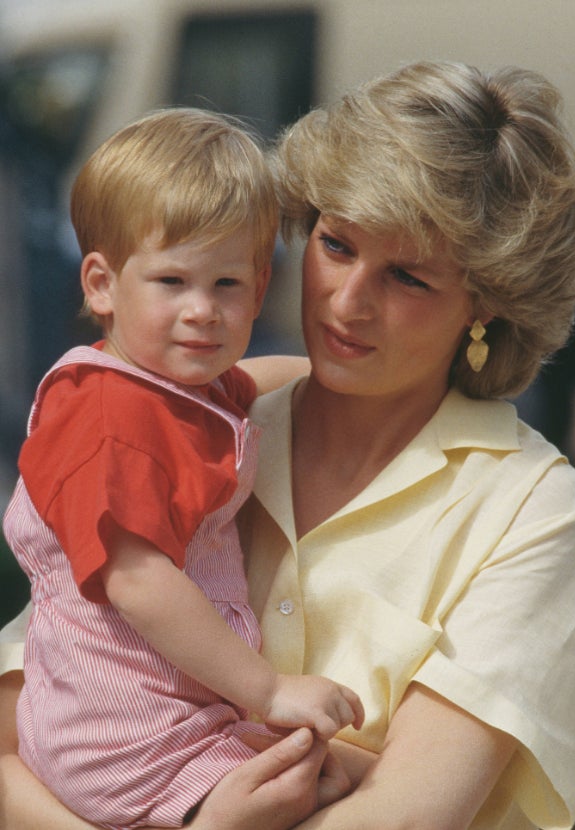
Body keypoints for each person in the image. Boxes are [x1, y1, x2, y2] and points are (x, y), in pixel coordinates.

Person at [0, 61, 575, 830]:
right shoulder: (194, 414)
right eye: (336, 244)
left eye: (407, 278)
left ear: (486, 301)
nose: (347, 303)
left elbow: (403, 818)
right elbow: (12, 741)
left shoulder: (538, 516)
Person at [2, 107, 363, 830]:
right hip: (123, 734)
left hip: (173, 713)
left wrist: (353, 386)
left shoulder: (176, 386)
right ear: (102, 285)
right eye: (172, 281)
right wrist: (269, 690)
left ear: (260, 291)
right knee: (314, 785)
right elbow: (137, 581)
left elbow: (261, 383)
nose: (203, 311)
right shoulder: (107, 417)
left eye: (227, 285)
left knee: (354, 770)